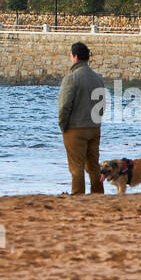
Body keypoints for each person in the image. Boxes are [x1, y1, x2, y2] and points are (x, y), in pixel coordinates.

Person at [57, 41, 106, 195]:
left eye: (71, 56)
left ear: (75, 57)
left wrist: (63, 126)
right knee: (93, 166)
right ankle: (98, 194)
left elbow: (64, 105)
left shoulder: (71, 78)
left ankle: (78, 195)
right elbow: (102, 104)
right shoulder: (97, 78)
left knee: (76, 167)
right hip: (94, 128)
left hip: (75, 129)